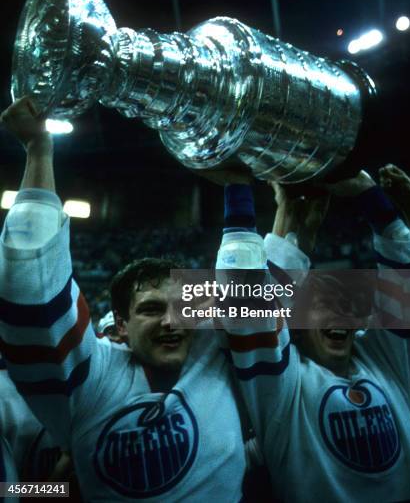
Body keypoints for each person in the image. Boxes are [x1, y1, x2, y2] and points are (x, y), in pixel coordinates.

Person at [0, 97, 248, 502]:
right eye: (150, 309)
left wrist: (246, 192)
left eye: (181, 307)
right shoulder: (88, 381)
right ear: (119, 326)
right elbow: (32, 292)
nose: (171, 321)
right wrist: (53, 491)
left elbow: (283, 302)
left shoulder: (211, 358)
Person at [216, 170, 410, 502]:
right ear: (295, 326)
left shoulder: (387, 362)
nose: (340, 313)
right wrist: (237, 184)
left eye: (346, 305)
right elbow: (249, 306)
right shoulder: (284, 389)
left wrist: (370, 197)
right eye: (323, 305)